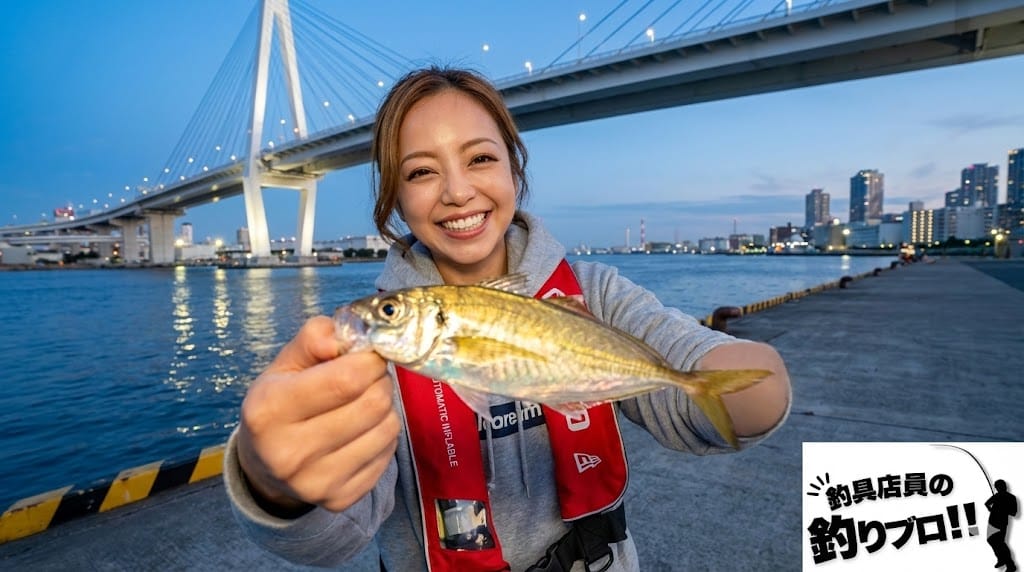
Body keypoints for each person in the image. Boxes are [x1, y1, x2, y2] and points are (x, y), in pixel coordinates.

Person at [223, 66, 792, 571]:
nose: (457, 190)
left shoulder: (596, 294)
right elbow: (335, 536)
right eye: (421, 172)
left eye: (480, 158)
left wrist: (747, 382)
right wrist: (272, 481)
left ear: (515, 170)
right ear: (394, 198)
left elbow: (688, 369)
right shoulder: (371, 361)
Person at [986, 479, 1018, 571]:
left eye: (998, 487)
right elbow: (987, 503)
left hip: (1000, 523)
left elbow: (1013, 513)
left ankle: (1010, 565)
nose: (997, 488)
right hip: (993, 522)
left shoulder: (1010, 497)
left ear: (1003, 486)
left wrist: (1001, 509)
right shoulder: (998, 496)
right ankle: (1001, 559)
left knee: (999, 543)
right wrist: (990, 509)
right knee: (992, 540)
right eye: (996, 487)